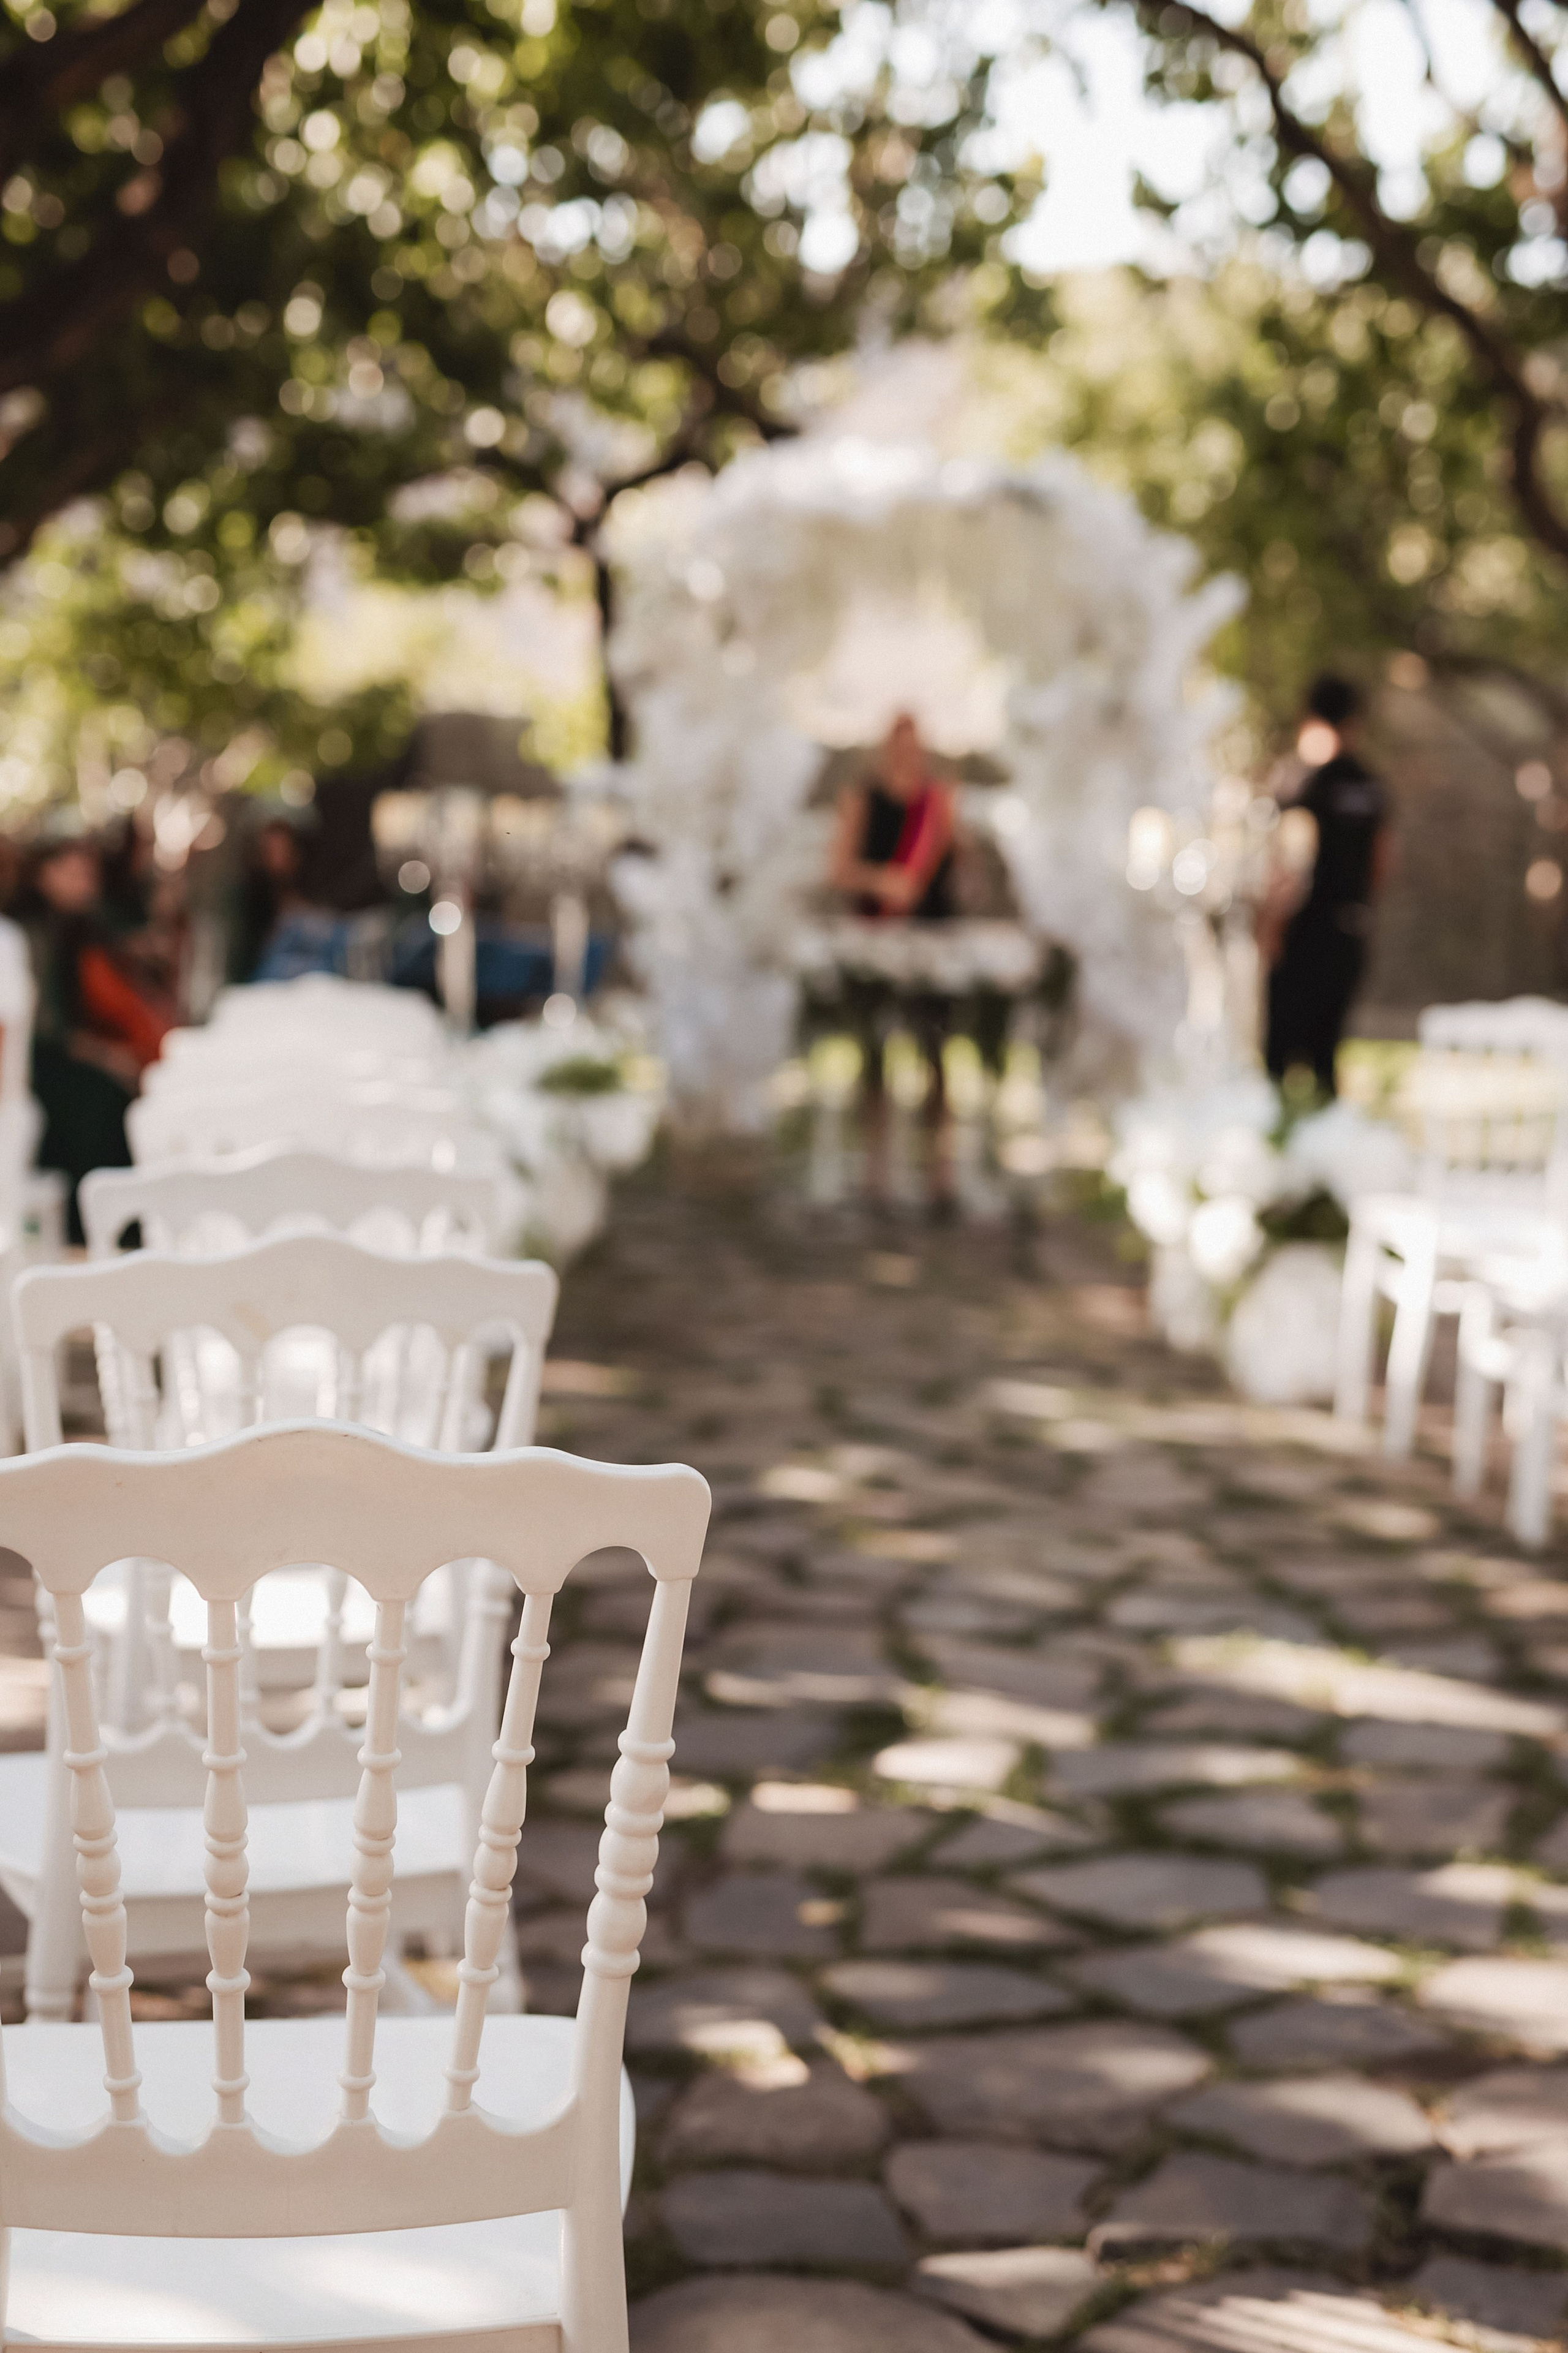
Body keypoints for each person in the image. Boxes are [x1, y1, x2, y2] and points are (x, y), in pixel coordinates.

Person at [828, 712, 959, 1207]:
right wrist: (882, 881)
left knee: (937, 1054)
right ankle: (875, 1171)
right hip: (878, 941)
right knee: (875, 1054)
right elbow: (839, 868)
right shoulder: (864, 797)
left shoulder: (939, 801)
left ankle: (939, 1174)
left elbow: (950, 865)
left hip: (932, 940)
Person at [20, 836, 172, 1237]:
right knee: (102, 1102)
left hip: (66, 1053)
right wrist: (105, 1055)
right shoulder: (32, 931)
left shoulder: (84, 924)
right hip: (40, 1061)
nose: (84, 882)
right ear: (43, 875)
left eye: (88, 873)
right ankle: (95, 1229)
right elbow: (49, 1029)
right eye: (72, 872)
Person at [1262, 674, 1393, 1098]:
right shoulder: (1371, 787)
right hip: (1350, 930)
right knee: (1326, 1052)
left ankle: (1285, 1142)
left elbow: (1287, 869)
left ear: (1310, 720)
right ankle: (1324, 1139)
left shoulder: (1302, 785)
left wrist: (1270, 930)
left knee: (1279, 1054)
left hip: (1303, 931)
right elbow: (1382, 863)